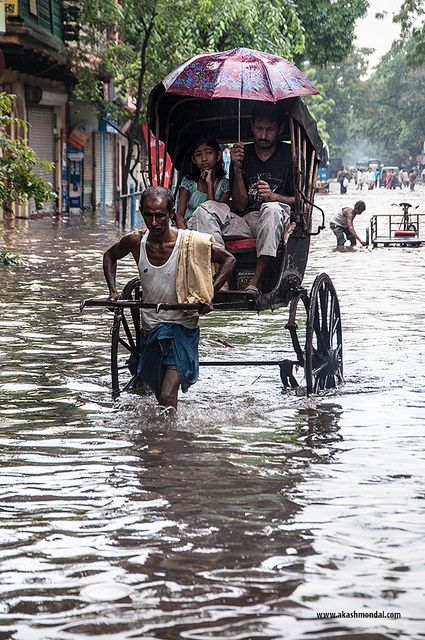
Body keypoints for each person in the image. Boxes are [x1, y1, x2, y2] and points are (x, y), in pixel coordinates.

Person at [103, 186, 236, 410]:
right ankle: (164, 438)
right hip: (151, 330)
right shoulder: (136, 241)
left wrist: (209, 292)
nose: (154, 223)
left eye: (160, 216)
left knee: (166, 396)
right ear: (142, 213)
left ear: (171, 214)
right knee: (159, 393)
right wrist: (113, 291)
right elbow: (110, 256)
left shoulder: (191, 242)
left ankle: (169, 441)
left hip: (182, 328)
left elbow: (229, 260)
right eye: (148, 215)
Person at [186, 103, 294, 296]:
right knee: (205, 209)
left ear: (280, 129)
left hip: (278, 218)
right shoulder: (242, 155)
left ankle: (256, 281)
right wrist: (236, 167)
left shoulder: (290, 155)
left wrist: (273, 196)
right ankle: (222, 277)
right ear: (251, 126)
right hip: (245, 220)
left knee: (271, 208)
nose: (262, 135)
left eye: (269, 130)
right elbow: (240, 204)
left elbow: (300, 201)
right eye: (259, 128)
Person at [175, 135, 230, 229]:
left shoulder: (224, 186)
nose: (204, 158)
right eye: (198, 154)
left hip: (212, 229)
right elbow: (179, 215)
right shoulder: (188, 182)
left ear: (218, 156)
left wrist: (209, 184)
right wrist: (185, 235)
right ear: (194, 160)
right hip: (188, 228)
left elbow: (212, 214)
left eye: (208, 153)